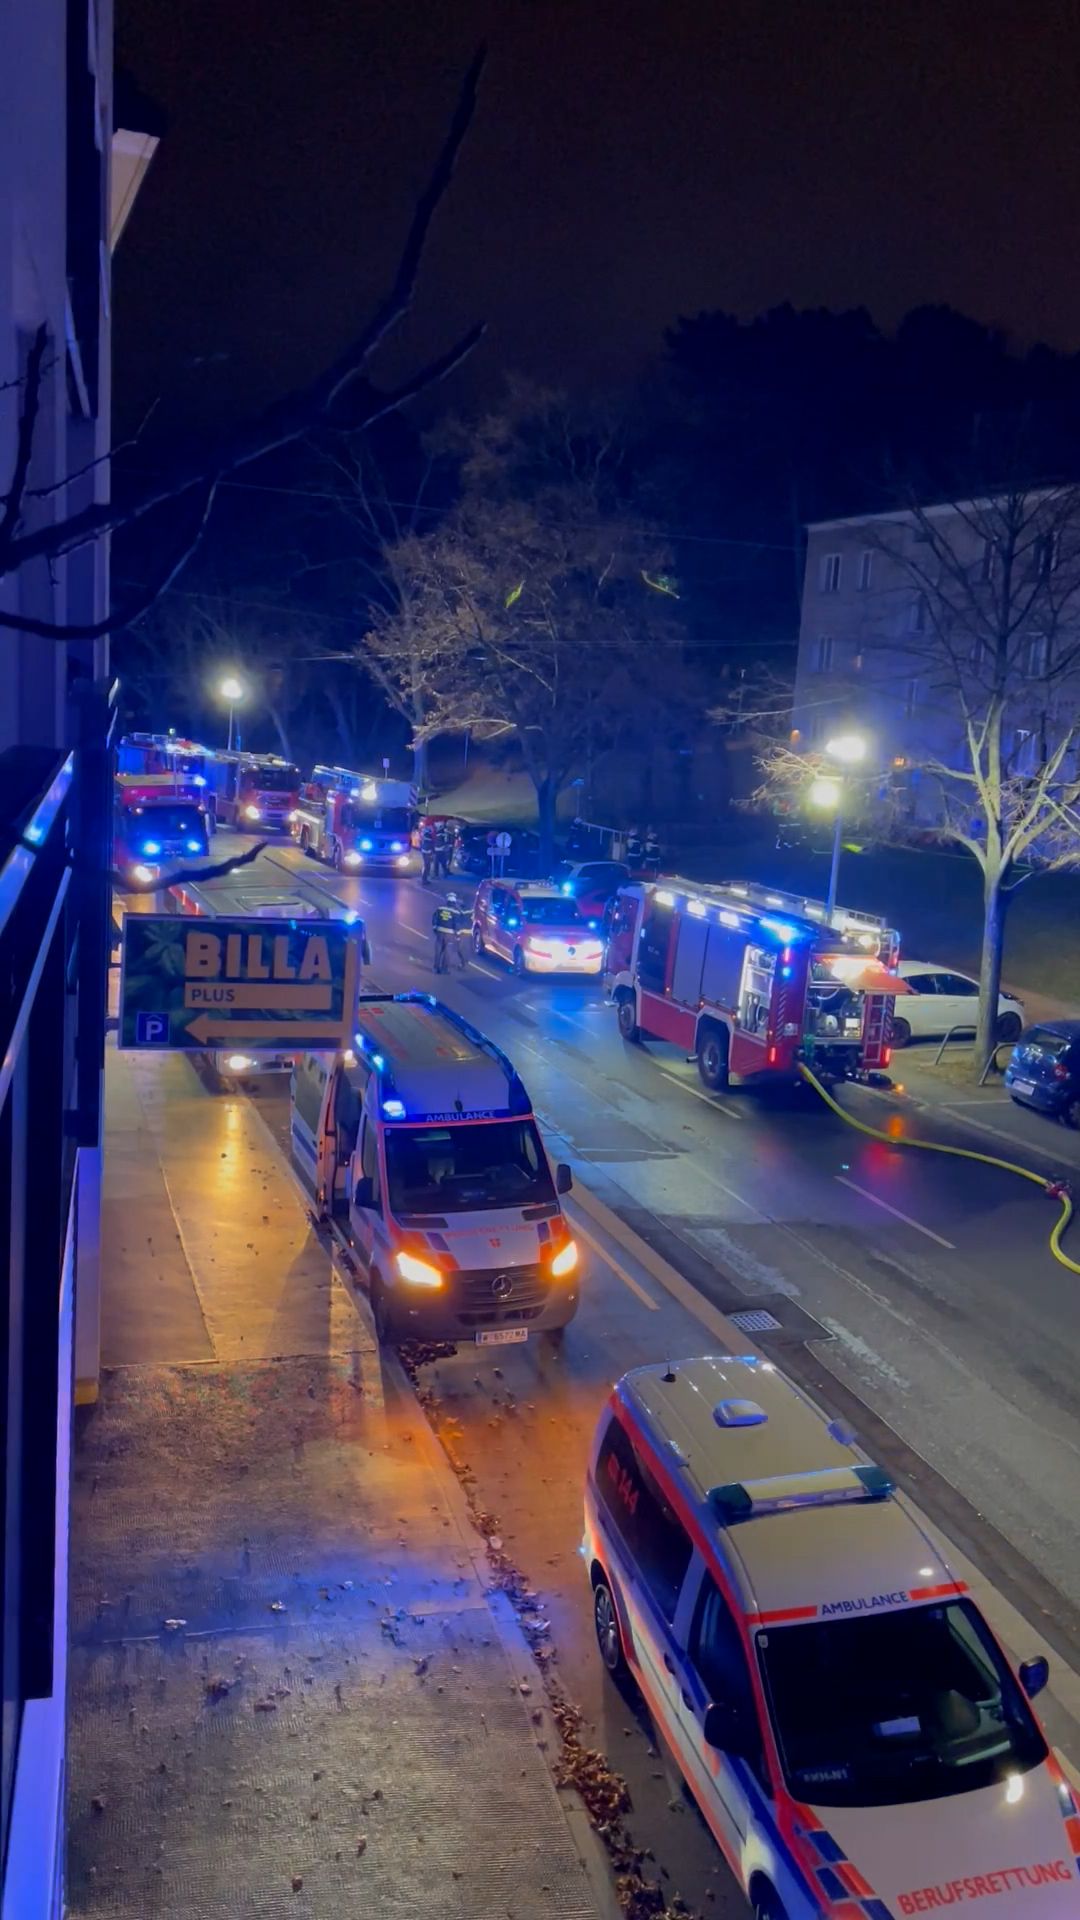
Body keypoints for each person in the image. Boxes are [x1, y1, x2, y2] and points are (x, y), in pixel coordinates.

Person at [432, 898, 456, 971]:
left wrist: (435, 928)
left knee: (438, 950)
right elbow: (456, 924)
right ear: (454, 903)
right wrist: (457, 934)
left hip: (440, 932)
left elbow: (434, 918)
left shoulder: (440, 909)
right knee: (447, 952)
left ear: (447, 902)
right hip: (449, 934)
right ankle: (444, 969)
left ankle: (435, 968)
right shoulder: (455, 912)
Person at [419, 818, 436, 884]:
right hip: (427, 850)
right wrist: (432, 851)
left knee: (427, 864)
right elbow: (430, 842)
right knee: (427, 865)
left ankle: (425, 878)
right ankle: (424, 879)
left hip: (424, 849)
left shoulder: (423, 830)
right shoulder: (428, 832)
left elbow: (421, 840)